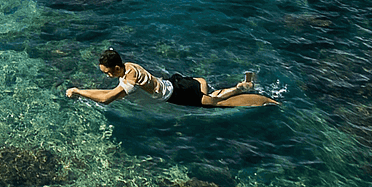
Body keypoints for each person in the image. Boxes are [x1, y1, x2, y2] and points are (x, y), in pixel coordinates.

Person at [65, 48, 277, 109]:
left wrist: (77, 91)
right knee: (208, 93)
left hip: (178, 93)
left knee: (215, 103)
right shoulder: (129, 67)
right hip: (174, 82)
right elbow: (110, 93)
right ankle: (203, 83)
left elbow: (106, 98)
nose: (108, 76)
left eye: (109, 72)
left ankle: (246, 90)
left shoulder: (130, 81)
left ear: (118, 67)